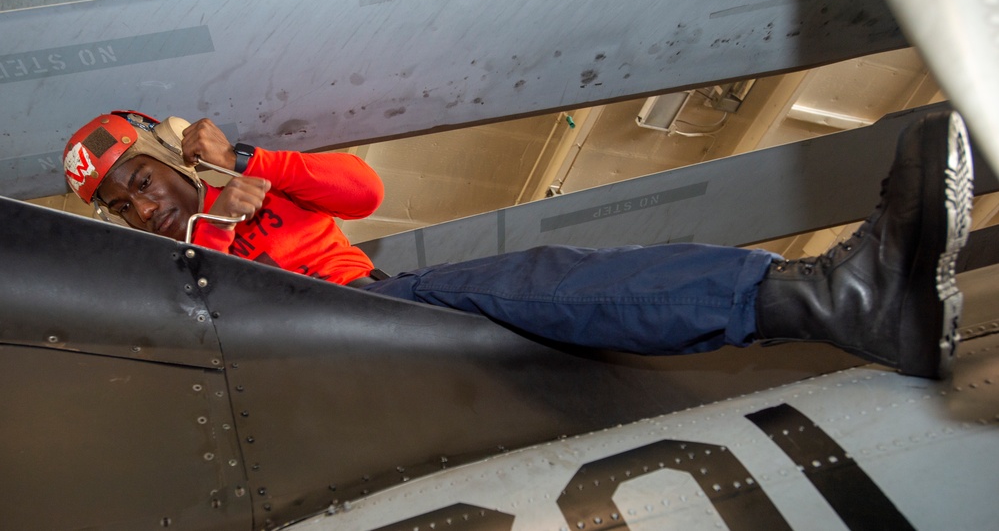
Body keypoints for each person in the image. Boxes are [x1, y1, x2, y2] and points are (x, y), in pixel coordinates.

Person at [62, 109, 974, 379]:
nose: (141, 206)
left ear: (170, 159)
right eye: (121, 204)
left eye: (141, 179)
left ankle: (822, 302)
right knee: (531, 281)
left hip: (363, 307)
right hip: (291, 346)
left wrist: (250, 158)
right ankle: (827, 299)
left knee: (532, 291)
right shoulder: (166, 267)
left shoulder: (255, 193)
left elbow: (365, 191)